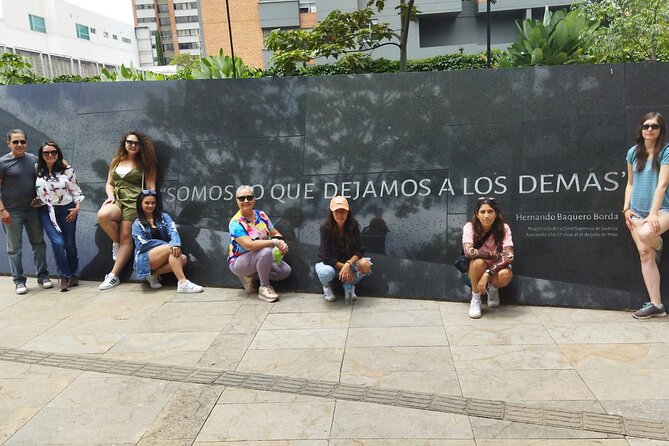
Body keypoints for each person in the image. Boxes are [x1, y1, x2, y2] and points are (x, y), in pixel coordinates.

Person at [97, 131, 157, 290]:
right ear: (124, 143)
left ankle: (113, 276)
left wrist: (150, 207)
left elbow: (151, 187)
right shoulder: (116, 161)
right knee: (103, 215)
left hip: (134, 202)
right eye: (130, 142)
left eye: (137, 143)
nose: (133, 145)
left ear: (141, 146)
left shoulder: (146, 163)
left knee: (127, 238)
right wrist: (110, 196)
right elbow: (109, 183)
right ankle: (115, 242)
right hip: (117, 199)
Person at [623, 112, 669, 319]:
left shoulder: (666, 151)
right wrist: (626, 208)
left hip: (662, 210)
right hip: (636, 211)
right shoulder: (633, 152)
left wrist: (652, 214)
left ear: (661, 130)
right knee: (645, 255)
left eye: (655, 126)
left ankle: (658, 245)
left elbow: (662, 184)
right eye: (646, 126)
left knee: (645, 235)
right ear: (640, 129)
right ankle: (656, 305)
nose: (649, 129)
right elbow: (630, 183)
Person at [0, 129, 52, 294]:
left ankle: (43, 277)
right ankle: (19, 281)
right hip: (11, 213)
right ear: (8, 143)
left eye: (22, 141)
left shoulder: (33, 160)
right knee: (14, 249)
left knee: (39, 244)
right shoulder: (2, 163)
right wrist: (2, 210)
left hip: (33, 211)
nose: (19, 145)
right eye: (15, 142)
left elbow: (46, 177)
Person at [35, 141, 84, 292]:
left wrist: (77, 208)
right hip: (47, 211)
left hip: (68, 210)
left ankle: (73, 273)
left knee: (69, 244)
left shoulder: (67, 170)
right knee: (58, 243)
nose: (50, 155)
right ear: (41, 155)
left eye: (53, 152)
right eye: (46, 153)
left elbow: (76, 190)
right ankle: (64, 275)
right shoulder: (37, 169)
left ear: (58, 153)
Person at [131, 190, 203, 293]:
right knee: (172, 248)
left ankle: (153, 275)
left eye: (153, 203)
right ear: (140, 204)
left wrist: (175, 244)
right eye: (147, 203)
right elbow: (141, 244)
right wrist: (168, 245)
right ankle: (183, 282)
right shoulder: (137, 224)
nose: (150, 205)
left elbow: (173, 231)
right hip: (144, 258)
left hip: (164, 254)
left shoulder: (164, 217)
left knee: (183, 258)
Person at [228, 185, 291, 302]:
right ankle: (264, 287)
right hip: (239, 262)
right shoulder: (235, 223)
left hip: (261, 257)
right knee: (266, 251)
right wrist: (274, 242)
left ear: (254, 199)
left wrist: (282, 243)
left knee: (285, 271)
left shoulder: (261, 215)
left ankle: (251, 276)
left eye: (249, 197)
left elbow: (275, 233)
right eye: (242, 198)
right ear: (237, 201)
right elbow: (250, 246)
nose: (246, 201)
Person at [463, 197, 514, 319]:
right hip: (476, 269)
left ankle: (493, 288)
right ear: (477, 214)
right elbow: (469, 252)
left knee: (506, 274)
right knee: (477, 263)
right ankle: (475, 300)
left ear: (496, 213)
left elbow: (509, 256)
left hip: (496, 269)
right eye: (483, 212)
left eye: (490, 211)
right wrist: (492, 255)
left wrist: (487, 274)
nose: (486, 216)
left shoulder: (504, 228)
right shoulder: (470, 226)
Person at [315, 196, 372, 303]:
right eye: (337, 212)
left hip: (348, 262)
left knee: (365, 264)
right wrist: (345, 267)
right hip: (330, 264)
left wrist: (348, 264)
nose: (340, 215)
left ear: (348, 212)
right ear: (332, 212)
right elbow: (326, 257)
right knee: (325, 272)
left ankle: (349, 285)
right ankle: (326, 287)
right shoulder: (325, 227)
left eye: (343, 211)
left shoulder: (353, 225)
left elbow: (360, 249)